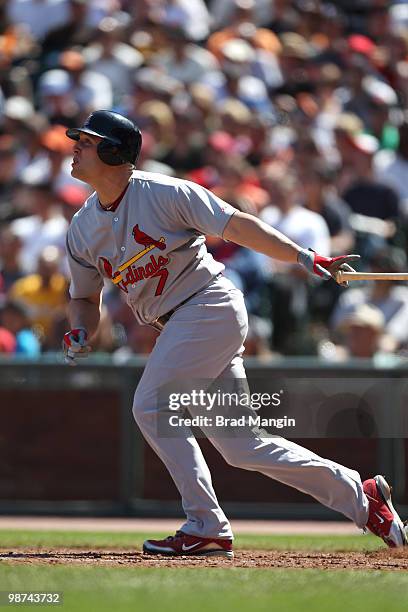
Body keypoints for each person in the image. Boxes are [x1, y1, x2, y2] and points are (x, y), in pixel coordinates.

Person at [63, 110, 407, 558]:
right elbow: (84, 299)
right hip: (183, 324)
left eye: (86, 141)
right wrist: (79, 332)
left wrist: (304, 256)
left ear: (113, 151)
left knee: (150, 405)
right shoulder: (82, 226)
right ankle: (364, 500)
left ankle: (206, 524)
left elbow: (237, 225)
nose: (75, 146)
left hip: (208, 306)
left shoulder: (165, 192)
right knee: (243, 445)